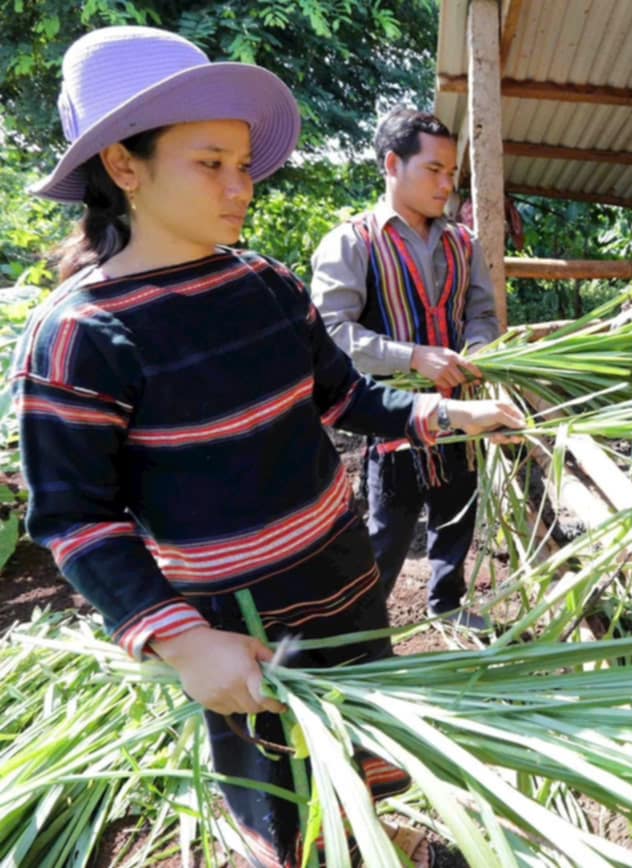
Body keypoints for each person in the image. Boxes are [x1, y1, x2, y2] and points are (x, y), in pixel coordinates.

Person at [13, 26, 523, 867]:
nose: (238, 185)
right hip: (237, 631)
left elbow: (343, 396)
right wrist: (179, 640)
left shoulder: (267, 284)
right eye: (209, 163)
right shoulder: (79, 335)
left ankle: (387, 841)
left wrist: (446, 417)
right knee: (280, 799)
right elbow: (75, 518)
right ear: (123, 166)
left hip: (344, 582)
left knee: (368, 749)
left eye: (243, 163)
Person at [310, 109, 499, 628]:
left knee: (457, 513)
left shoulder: (464, 243)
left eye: (451, 174)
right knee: (387, 531)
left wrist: (480, 347)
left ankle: (448, 607)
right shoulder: (352, 242)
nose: (447, 184)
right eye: (434, 170)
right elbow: (331, 334)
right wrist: (412, 357)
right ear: (393, 164)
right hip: (391, 420)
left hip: (460, 412)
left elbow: (481, 312)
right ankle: (360, 630)